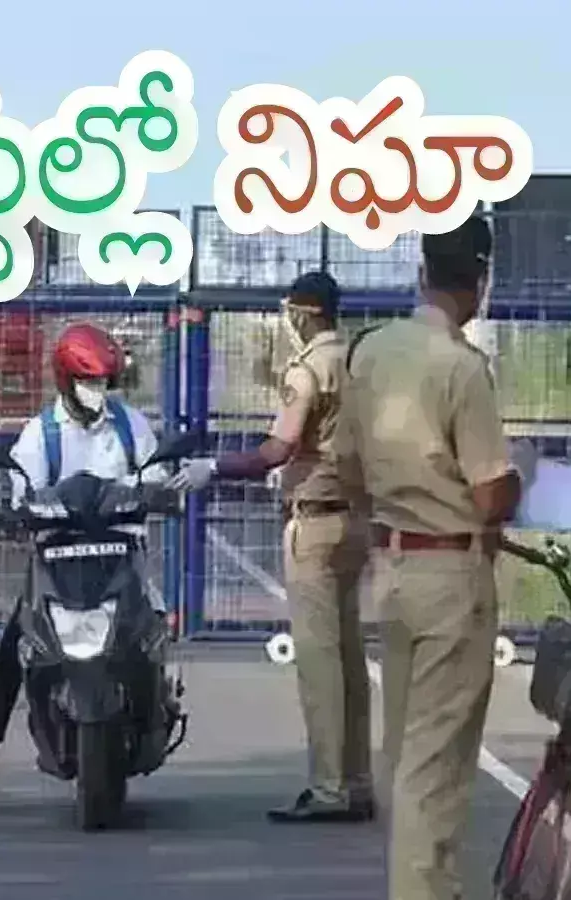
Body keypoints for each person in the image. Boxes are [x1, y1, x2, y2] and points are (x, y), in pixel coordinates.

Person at [337, 215, 535, 900]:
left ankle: (432, 886)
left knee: (406, 756)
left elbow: (348, 468)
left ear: (421, 273)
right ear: (481, 282)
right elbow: (489, 496)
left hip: (394, 572)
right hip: (453, 577)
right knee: (436, 768)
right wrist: (523, 475)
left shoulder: (369, 352)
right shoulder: (461, 367)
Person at [168, 271, 375, 823]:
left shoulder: (308, 369)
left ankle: (329, 788)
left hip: (314, 524)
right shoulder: (358, 364)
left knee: (319, 664)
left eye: (291, 312)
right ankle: (357, 780)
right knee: (350, 659)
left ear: (305, 313)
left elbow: (277, 449)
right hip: (357, 519)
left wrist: (214, 467)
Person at [0, 320, 171, 815]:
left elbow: (154, 474)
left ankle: (155, 708)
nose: (97, 390)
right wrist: (17, 516)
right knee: (11, 657)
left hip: (118, 555)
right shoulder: (39, 435)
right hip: (58, 559)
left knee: (151, 633)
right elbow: (23, 493)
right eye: (88, 381)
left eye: (103, 381)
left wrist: (160, 492)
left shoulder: (130, 426)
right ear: (65, 380)